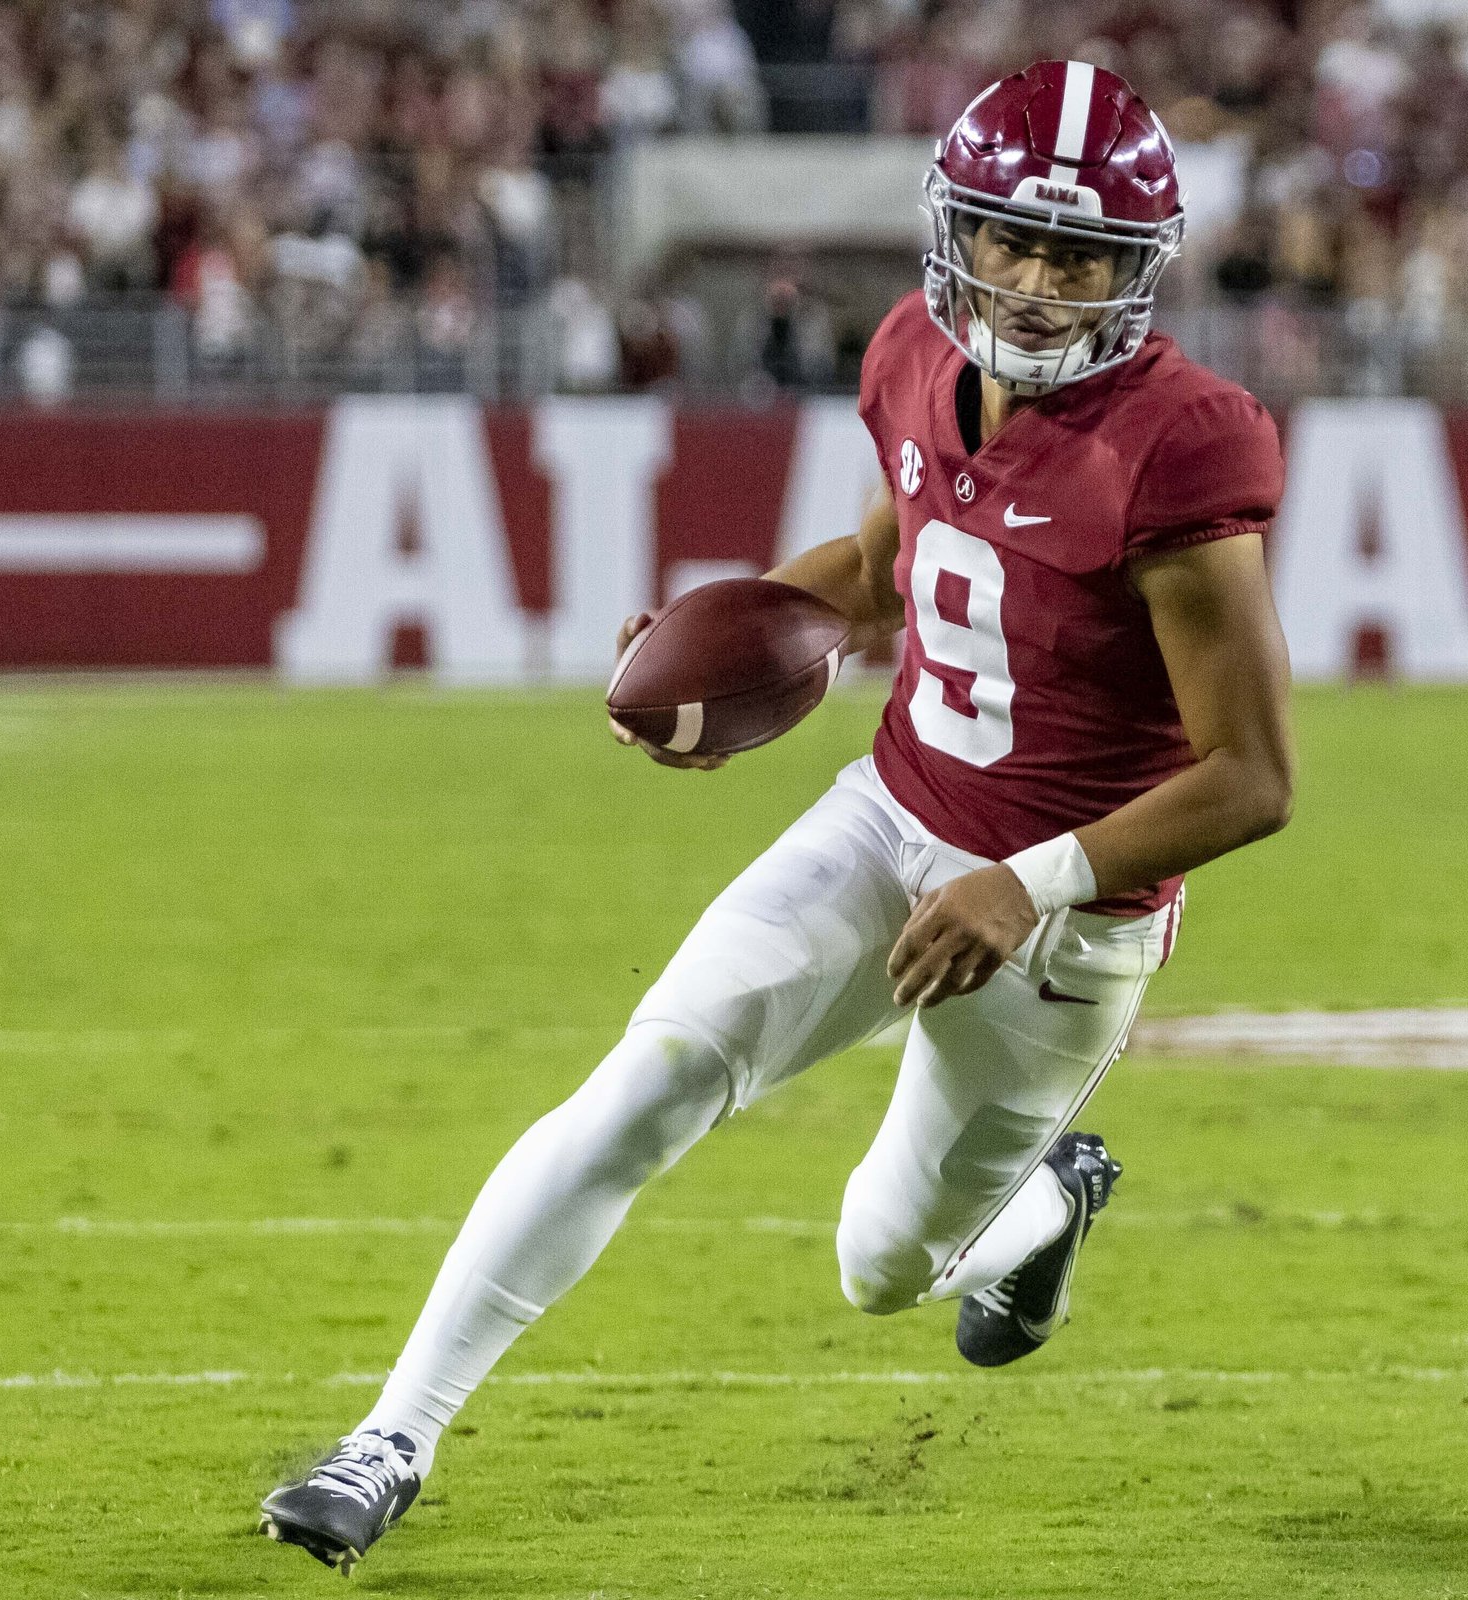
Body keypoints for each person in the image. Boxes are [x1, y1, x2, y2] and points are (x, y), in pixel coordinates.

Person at [257, 59, 1294, 1572]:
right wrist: (725, 642)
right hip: (890, 816)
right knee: (652, 1074)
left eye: (1079, 255)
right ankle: (391, 1438)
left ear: (1137, 273)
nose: (1040, 281)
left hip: (1063, 925)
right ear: (958, 234)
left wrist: (1031, 881)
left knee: (884, 1265)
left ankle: (1026, 1216)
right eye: (1012, 240)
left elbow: (1250, 776)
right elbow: (888, 568)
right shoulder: (908, 361)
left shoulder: (1184, 446)